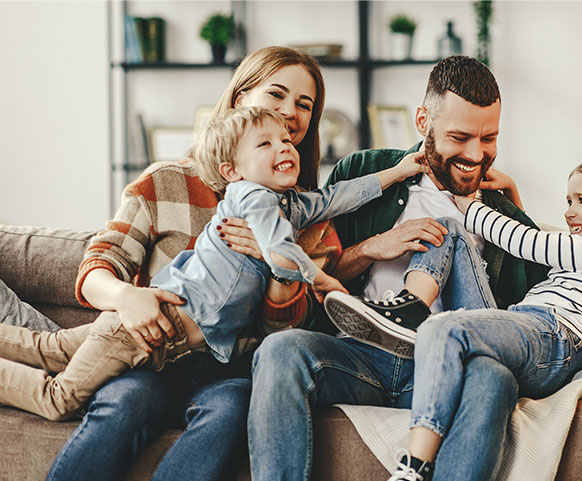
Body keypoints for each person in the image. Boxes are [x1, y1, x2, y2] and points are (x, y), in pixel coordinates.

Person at [247, 55, 582, 481]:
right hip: (362, 356)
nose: (475, 154)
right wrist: (371, 249)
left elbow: (538, 315)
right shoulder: (364, 171)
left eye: (489, 138)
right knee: (281, 351)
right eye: (459, 137)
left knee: (494, 378)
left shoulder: (501, 212)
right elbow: (314, 274)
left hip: (449, 368)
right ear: (422, 121)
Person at [0, 106, 426, 421]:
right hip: (148, 328)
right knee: (59, 399)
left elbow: (337, 197)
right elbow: (279, 249)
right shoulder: (252, 198)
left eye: (286, 140)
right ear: (232, 170)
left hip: (163, 341)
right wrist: (322, 280)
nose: (284, 147)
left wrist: (397, 171)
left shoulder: (288, 204)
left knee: (49, 349)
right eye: (265, 143)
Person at [33, 46, 332, 481]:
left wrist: (276, 262)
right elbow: (98, 265)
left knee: (230, 412)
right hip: (149, 360)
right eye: (277, 94)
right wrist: (126, 297)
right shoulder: (166, 179)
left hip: (228, 370)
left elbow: (281, 334)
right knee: (123, 404)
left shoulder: (304, 215)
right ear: (240, 99)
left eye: (304, 105)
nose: (290, 112)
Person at [327, 154, 582, 481]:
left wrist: (468, 204)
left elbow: (529, 244)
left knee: (442, 327)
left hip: (553, 335)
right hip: (525, 329)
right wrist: (512, 198)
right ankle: (410, 308)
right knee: (447, 230)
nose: (569, 212)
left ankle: (414, 467)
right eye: (568, 201)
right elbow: (539, 258)